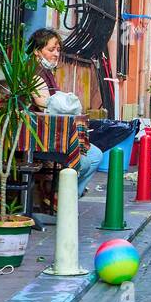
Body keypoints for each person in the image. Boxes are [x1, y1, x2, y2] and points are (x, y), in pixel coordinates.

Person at [27, 28, 105, 197]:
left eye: (58, 49)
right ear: (36, 51)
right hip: (41, 137)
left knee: (97, 155)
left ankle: (67, 198)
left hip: (54, 133)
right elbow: (45, 106)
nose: (56, 54)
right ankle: (60, 196)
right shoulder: (34, 73)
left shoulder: (46, 71)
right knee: (83, 162)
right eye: (51, 49)